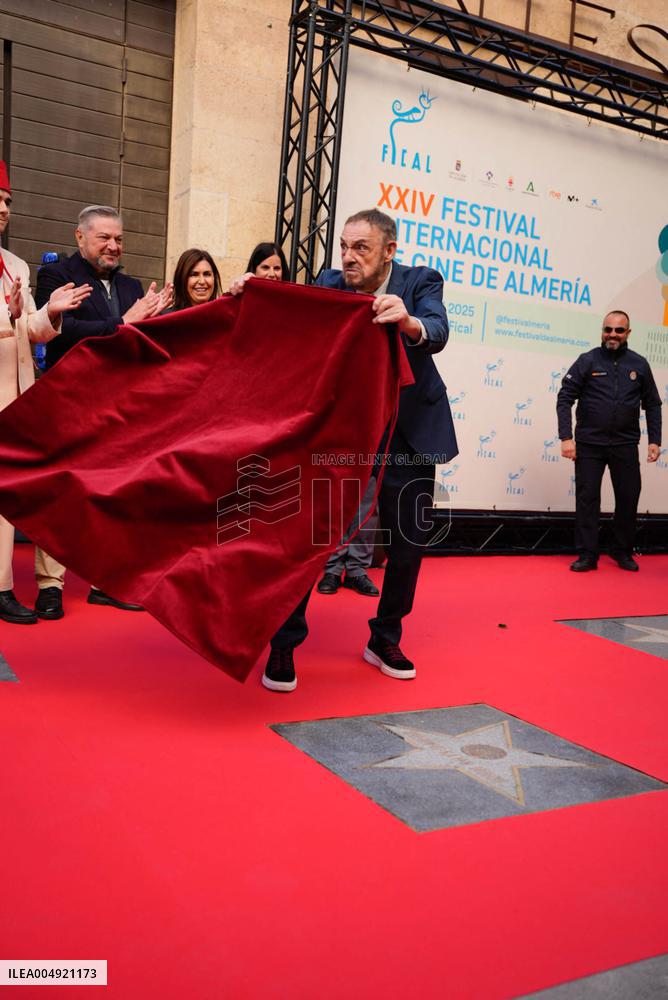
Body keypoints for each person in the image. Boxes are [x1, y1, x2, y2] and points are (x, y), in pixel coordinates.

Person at [231, 208, 458, 691]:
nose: (349, 257)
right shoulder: (330, 282)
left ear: (389, 251)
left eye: (361, 248)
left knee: (407, 544)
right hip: (346, 430)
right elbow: (293, 322)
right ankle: (284, 644)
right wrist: (254, 294)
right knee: (310, 536)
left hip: (408, 431)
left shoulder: (421, 281)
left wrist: (409, 321)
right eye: (344, 247)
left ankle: (385, 637)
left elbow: (437, 330)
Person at [35, 205, 173, 615]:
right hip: (68, 402)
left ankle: (105, 582)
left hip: (119, 409)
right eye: (104, 238)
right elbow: (62, 335)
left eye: (119, 239)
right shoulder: (56, 276)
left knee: (113, 497)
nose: (113, 246)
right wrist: (125, 324)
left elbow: (139, 344)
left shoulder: (132, 287)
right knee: (60, 497)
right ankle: (50, 585)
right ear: (80, 237)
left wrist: (152, 322)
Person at [0, 161, 93, 624]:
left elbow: (32, 331)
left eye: (8, 201)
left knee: (11, 499)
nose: (4, 209)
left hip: (19, 398)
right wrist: (10, 316)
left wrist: (50, 312)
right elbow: (11, 322)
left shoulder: (15, 264)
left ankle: (4, 587)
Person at [557, 309, 662, 572]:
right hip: (589, 443)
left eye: (618, 330)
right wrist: (566, 437)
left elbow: (652, 404)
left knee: (628, 497)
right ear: (602, 331)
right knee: (587, 499)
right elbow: (565, 397)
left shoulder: (639, 364)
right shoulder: (587, 360)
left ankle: (622, 550)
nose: (612, 334)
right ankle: (587, 554)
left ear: (628, 332)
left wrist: (655, 440)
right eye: (608, 329)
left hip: (625, 444)